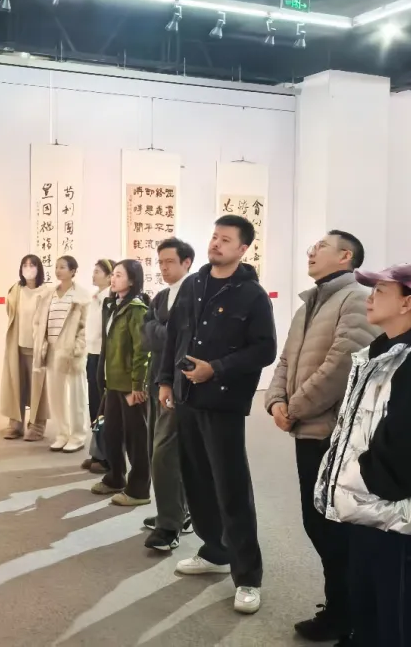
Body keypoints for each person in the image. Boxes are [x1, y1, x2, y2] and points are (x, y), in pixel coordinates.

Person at [314, 264, 411, 647]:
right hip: (370, 507)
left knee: (399, 614)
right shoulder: (380, 353)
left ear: (407, 303)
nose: (370, 298)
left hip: (397, 515)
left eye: (380, 291)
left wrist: (372, 480)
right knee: (369, 604)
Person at [156, 214, 277, 615]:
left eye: (225, 240)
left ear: (243, 249)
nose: (216, 244)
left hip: (222, 402)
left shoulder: (252, 295)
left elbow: (265, 350)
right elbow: (174, 337)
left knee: (231, 488)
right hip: (187, 398)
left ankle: (248, 577)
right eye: (214, 237)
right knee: (197, 481)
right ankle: (214, 550)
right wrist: (165, 380)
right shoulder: (193, 284)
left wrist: (217, 369)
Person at [264, 231, 378, 642]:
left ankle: (348, 613)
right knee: (318, 523)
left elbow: (343, 364)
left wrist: (294, 408)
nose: (311, 251)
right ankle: (340, 607)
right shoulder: (310, 303)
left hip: (334, 434)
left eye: (321, 247)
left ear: (346, 256)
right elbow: (285, 360)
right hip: (307, 430)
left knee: (336, 528)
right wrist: (275, 401)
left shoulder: (356, 298)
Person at [143, 238, 195, 552]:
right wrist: (164, 330)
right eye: (160, 262)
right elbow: (147, 335)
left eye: (170, 261)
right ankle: (176, 512)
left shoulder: (196, 294)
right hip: (157, 380)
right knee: (162, 449)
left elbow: (183, 338)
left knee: (164, 454)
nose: (163, 267)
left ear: (187, 262)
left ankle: (169, 526)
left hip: (179, 385)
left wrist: (161, 330)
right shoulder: (162, 296)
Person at [91, 259, 152, 507]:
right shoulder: (112, 305)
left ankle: (139, 490)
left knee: (136, 437)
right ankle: (115, 478)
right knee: (112, 433)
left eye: (118, 275)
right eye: (113, 274)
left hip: (129, 385)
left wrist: (138, 385)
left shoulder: (137, 309)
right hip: (113, 381)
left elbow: (142, 351)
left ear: (132, 280)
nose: (113, 279)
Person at [33, 256, 91, 453]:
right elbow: (39, 322)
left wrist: (77, 348)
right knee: (55, 395)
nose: (58, 270)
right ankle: (62, 433)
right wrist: (40, 342)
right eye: (57, 267)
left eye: (63, 267)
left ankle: (78, 435)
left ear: (73, 271)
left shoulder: (82, 297)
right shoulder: (48, 295)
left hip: (71, 351)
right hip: (51, 349)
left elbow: (85, 327)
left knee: (76, 395)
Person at [0, 255, 51, 441]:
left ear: (39, 268)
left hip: (37, 348)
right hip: (18, 347)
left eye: (32, 265)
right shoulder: (16, 290)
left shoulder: (46, 292)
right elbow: (10, 313)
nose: (28, 268)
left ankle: (37, 426)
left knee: (39, 389)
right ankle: (15, 424)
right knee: (16, 386)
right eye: (25, 265)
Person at [81, 259, 114, 473]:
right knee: (94, 405)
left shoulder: (110, 300)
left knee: (105, 409)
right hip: (92, 355)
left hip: (105, 357)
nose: (93, 275)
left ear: (110, 277)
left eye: (98, 272)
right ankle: (96, 452)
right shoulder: (94, 298)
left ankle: (106, 457)